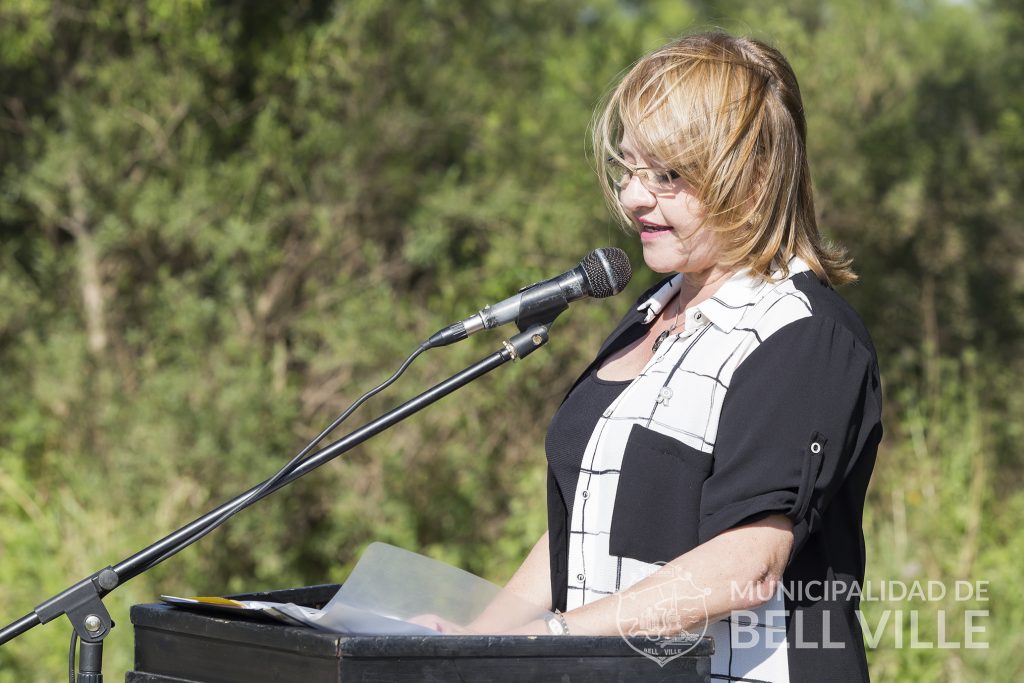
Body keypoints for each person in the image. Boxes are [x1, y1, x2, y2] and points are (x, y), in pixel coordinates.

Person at [496, 32, 883, 682]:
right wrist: (476, 640)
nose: (633, 197)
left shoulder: (803, 335)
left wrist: (557, 636)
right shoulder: (650, 312)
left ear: (753, 178)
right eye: (629, 169)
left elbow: (747, 566)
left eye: (668, 175)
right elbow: (586, 520)